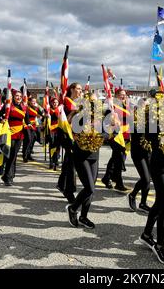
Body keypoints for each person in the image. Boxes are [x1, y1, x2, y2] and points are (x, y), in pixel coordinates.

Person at [139, 92, 164, 265]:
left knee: (159, 203)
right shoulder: (150, 120)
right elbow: (150, 136)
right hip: (159, 165)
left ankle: (146, 234)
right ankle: (160, 245)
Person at [65, 93, 101, 229]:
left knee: (91, 190)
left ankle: (84, 216)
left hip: (94, 155)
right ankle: (73, 208)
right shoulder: (78, 117)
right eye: (91, 102)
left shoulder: (101, 117)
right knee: (89, 187)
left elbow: (108, 133)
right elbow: (74, 131)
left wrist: (109, 130)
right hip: (81, 155)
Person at [57, 83, 82, 203]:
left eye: (81, 89)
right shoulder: (66, 102)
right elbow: (65, 120)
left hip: (78, 135)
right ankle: (69, 191)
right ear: (71, 89)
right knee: (71, 163)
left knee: (69, 161)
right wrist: (74, 112)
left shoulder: (80, 102)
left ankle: (62, 184)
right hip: (68, 135)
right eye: (78, 88)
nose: (80, 91)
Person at [101, 88, 131, 191]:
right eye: (121, 95)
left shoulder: (126, 106)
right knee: (118, 158)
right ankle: (118, 182)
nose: (123, 96)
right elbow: (105, 115)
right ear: (116, 95)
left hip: (126, 135)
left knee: (116, 158)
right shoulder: (111, 105)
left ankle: (107, 177)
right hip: (116, 135)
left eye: (124, 95)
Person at [0, 89, 30, 186]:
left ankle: (9, 175)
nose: (19, 98)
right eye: (17, 96)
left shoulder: (24, 107)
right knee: (10, 155)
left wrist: (29, 125)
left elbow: (27, 120)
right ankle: (8, 176)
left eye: (20, 96)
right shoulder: (8, 106)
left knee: (14, 155)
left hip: (20, 134)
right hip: (9, 133)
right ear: (13, 96)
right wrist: (2, 120)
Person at [128, 98, 152, 213]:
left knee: (148, 179)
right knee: (145, 178)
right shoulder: (134, 118)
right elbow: (137, 132)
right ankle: (132, 195)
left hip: (148, 151)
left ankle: (143, 203)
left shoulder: (151, 118)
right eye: (145, 106)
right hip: (138, 152)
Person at [23, 96, 44, 162]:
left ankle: (29, 155)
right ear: (29, 102)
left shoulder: (36, 108)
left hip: (34, 126)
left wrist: (40, 107)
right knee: (28, 140)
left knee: (33, 139)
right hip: (27, 125)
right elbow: (26, 118)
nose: (34, 102)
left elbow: (42, 114)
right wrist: (29, 124)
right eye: (32, 101)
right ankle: (25, 155)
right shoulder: (27, 108)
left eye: (35, 101)